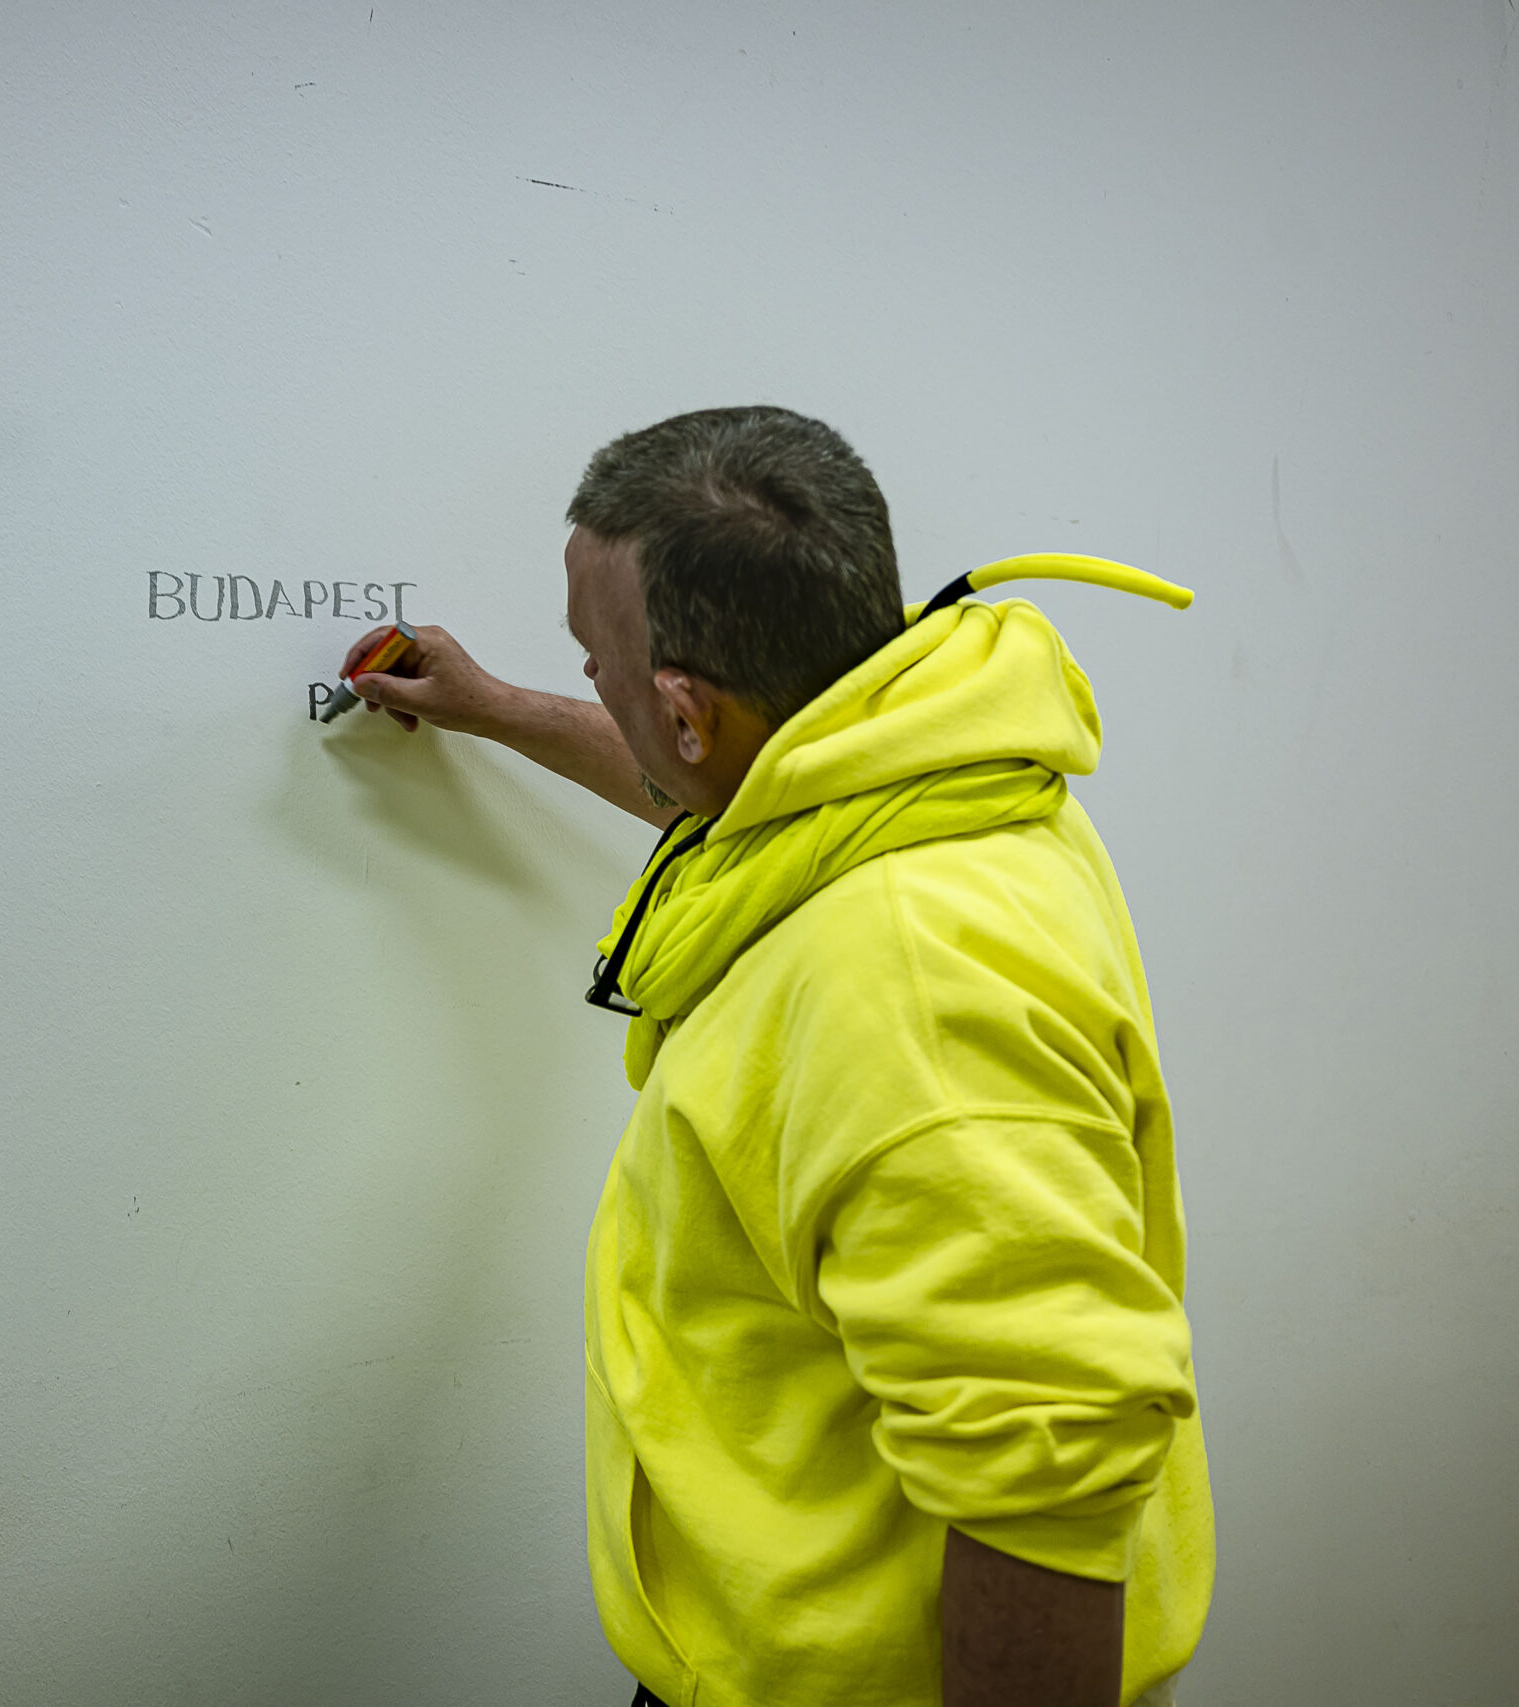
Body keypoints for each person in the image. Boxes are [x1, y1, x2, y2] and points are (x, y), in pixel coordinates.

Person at [338, 407, 1212, 1707]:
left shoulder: (913, 989)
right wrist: (501, 710)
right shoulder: (924, 757)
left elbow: (1048, 1469)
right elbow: (740, 798)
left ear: (687, 713)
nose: (593, 680)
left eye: (596, 664)